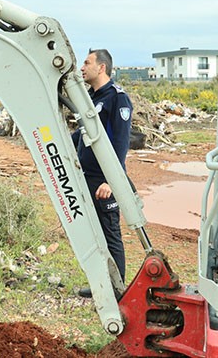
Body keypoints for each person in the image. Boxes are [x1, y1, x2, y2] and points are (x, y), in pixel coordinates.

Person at [74, 49, 133, 299]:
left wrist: (112, 180)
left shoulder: (117, 99)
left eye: (87, 63)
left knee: (110, 233)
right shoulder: (90, 98)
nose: (81, 67)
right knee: (94, 235)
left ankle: (117, 290)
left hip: (104, 180)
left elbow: (120, 142)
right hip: (86, 176)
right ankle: (101, 284)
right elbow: (81, 135)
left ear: (101, 68)